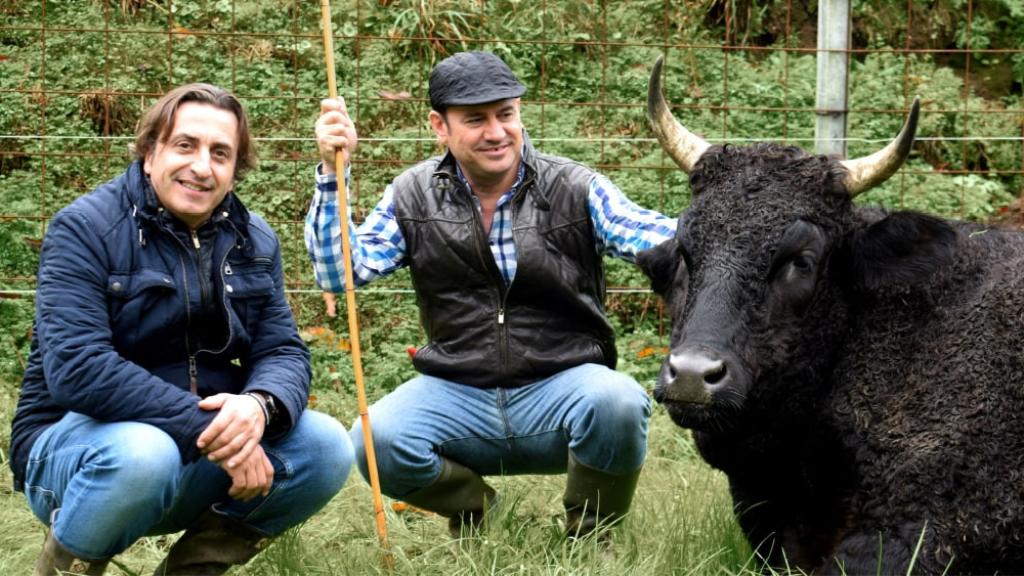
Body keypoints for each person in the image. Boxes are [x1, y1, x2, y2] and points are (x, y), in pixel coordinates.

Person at [305, 51, 675, 540]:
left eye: (506, 114)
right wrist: (334, 174)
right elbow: (341, 274)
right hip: (458, 389)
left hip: (562, 385)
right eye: (475, 119)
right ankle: (483, 516)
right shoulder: (412, 194)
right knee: (376, 441)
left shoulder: (575, 187)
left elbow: (658, 237)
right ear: (440, 126)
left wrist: (732, 227)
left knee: (619, 401)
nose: (497, 132)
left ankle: (592, 537)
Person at [10, 83, 354, 576]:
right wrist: (214, 431)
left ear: (235, 170)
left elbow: (282, 349)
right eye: (185, 145)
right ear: (150, 153)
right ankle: (68, 564)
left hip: (196, 451)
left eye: (220, 153)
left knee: (324, 445)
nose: (201, 167)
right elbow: (77, 369)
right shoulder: (84, 229)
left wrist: (259, 407)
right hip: (80, 448)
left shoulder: (254, 239)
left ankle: (194, 569)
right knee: (142, 455)